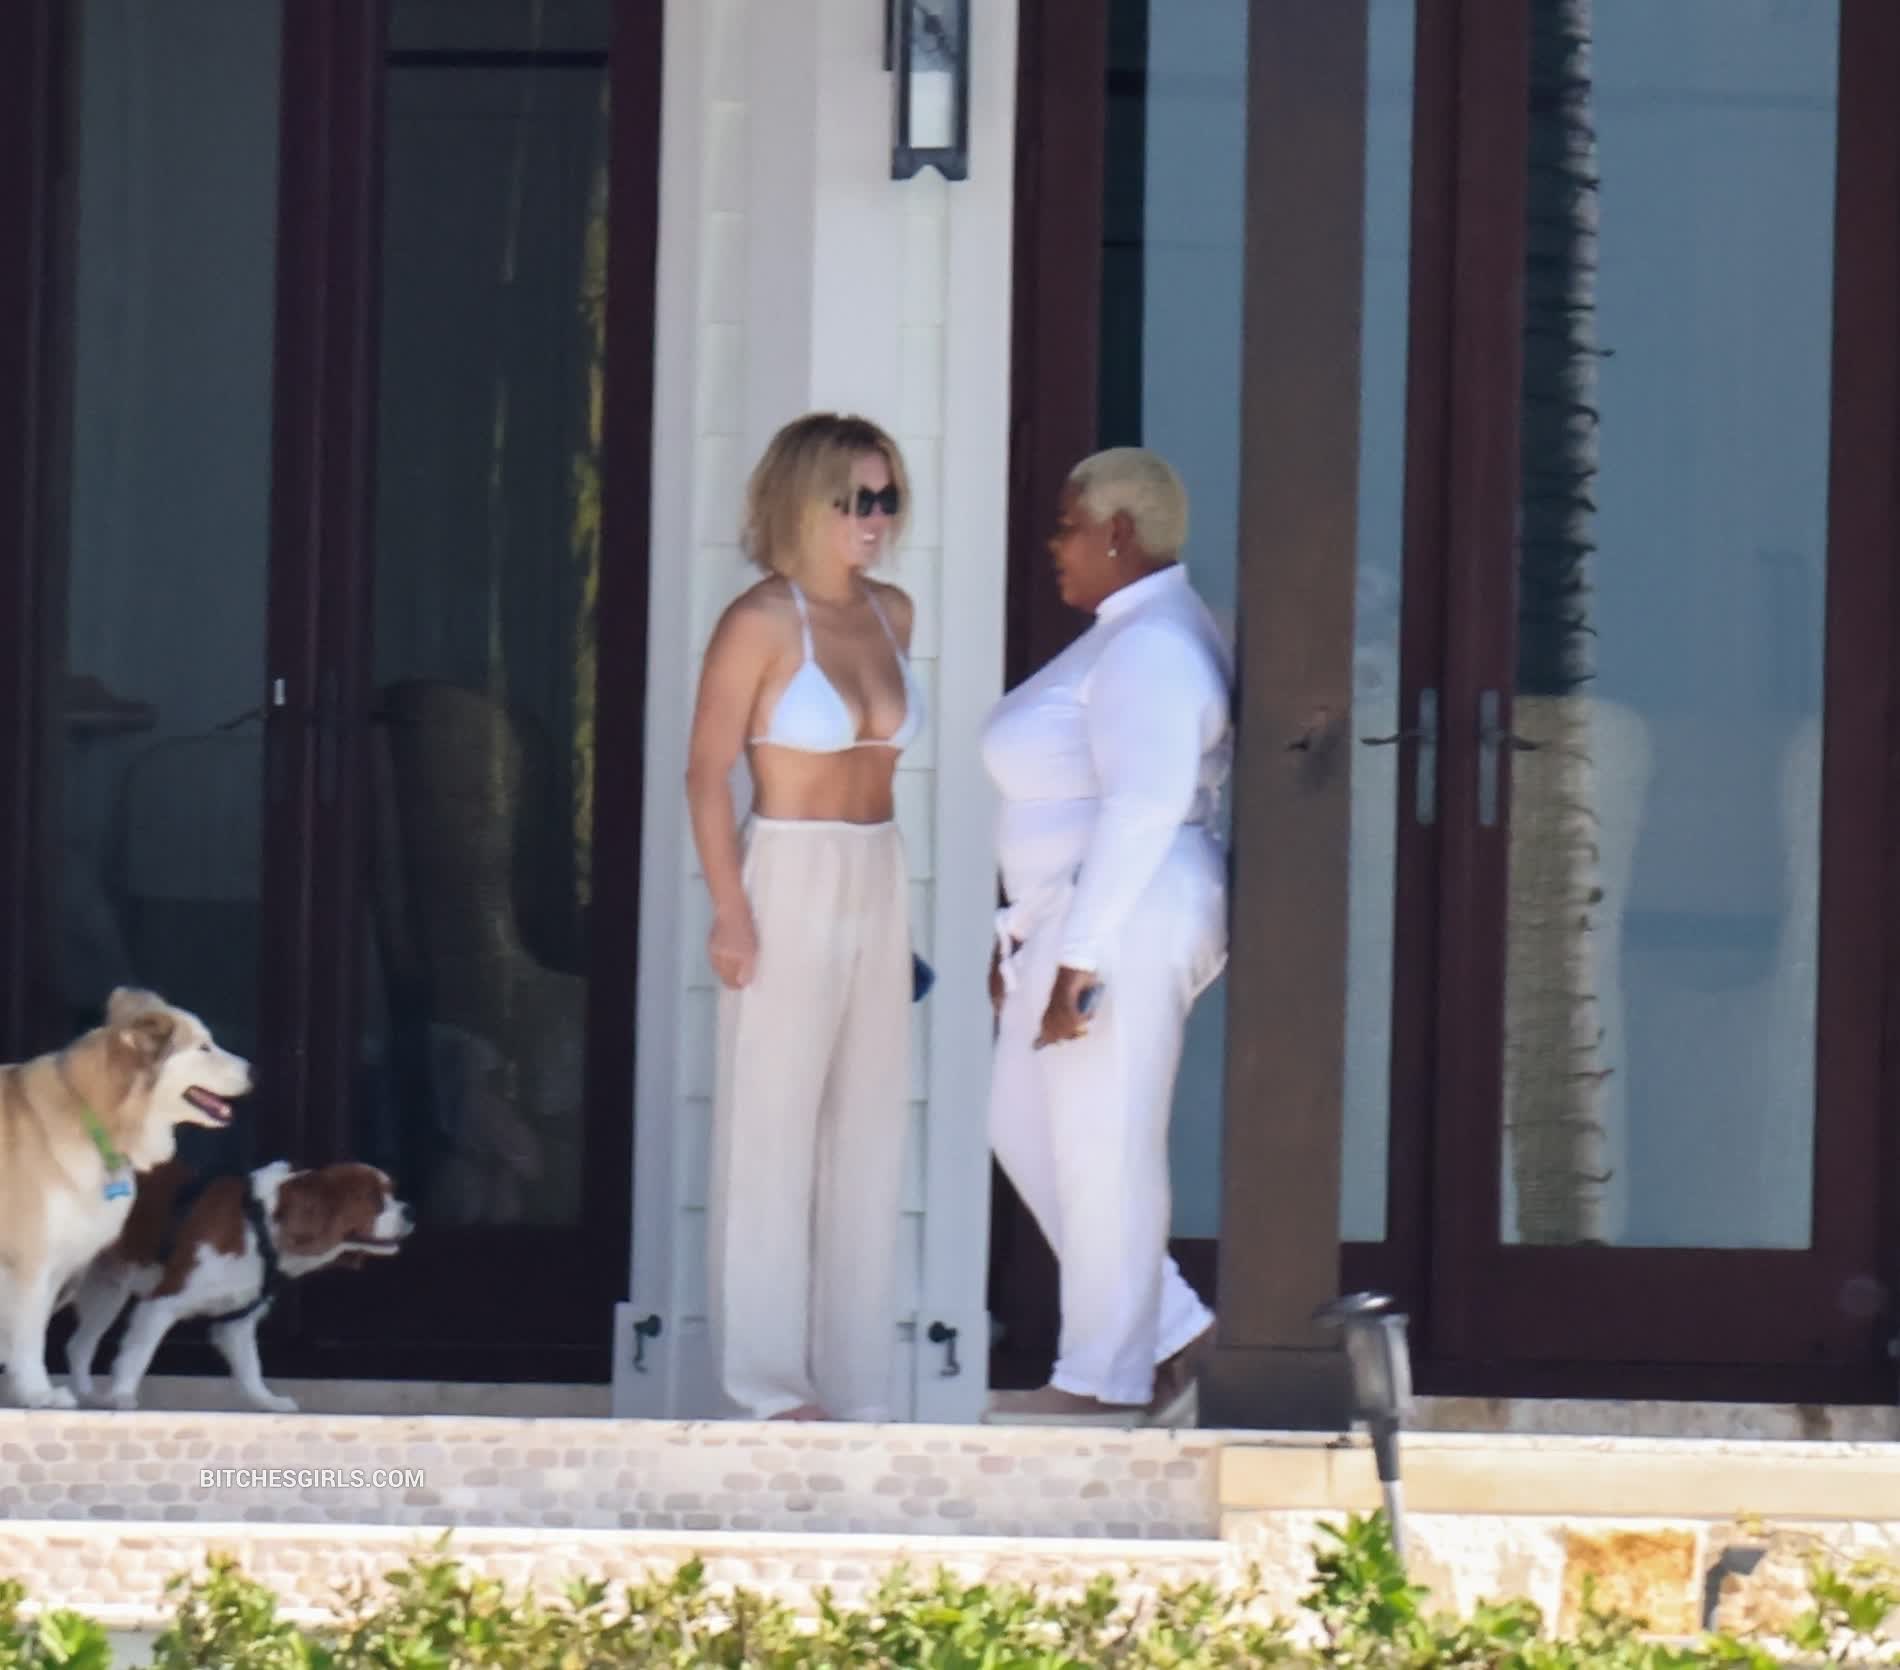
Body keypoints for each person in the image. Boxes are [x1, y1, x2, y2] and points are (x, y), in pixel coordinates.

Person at [980, 447, 1232, 1427]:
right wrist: (1025, 938)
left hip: (1125, 915)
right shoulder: (1130, 631)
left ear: (1118, 531)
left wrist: (1078, 956)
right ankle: (1177, 1335)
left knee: (1103, 1145)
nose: (1054, 546)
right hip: (1077, 914)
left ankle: (1098, 1381)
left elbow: (1142, 805)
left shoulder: (1153, 643)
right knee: (1025, 1125)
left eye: (1066, 527)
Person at [685, 412, 923, 1422]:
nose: (875, 518)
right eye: (854, 499)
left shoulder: (894, 612)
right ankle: (770, 1382)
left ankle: (856, 1382)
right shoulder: (760, 620)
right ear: (803, 500)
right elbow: (705, 774)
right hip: (785, 868)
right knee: (771, 1125)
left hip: (879, 870)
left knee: (869, 1129)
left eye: (887, 498)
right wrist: (731, 912)